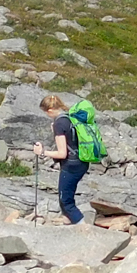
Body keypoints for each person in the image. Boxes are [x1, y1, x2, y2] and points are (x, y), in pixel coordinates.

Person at [33, 94, 103, 226]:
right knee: (68, 195)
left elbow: (62, 153)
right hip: (82, 162)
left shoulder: (59, 123)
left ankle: (83, 228)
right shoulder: (70, 117)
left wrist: (42, 152)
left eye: (45, 113)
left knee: (65, 201)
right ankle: (68, 220)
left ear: (49, 110)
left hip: (71, 166)